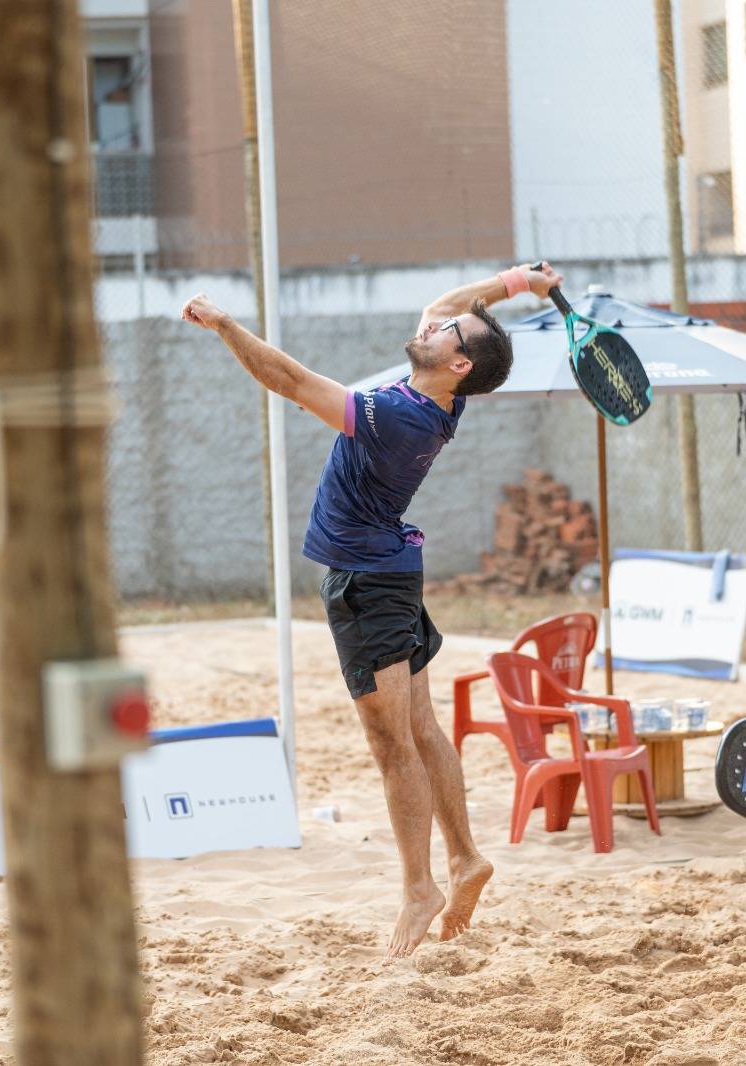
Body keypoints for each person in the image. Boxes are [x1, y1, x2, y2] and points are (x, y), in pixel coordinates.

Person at [181, 262, 563, 958]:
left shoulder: (400, 416)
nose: (438, 319)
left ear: (456, 361)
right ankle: (465, 858)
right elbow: (444, 302)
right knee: (419, 728)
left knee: (393, 745)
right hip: (391, 571)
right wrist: (516, 282)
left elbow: (292, 383)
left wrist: (225, 324)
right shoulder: (442, 389)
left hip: (369, 584)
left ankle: (421, 887)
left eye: (450, 330)